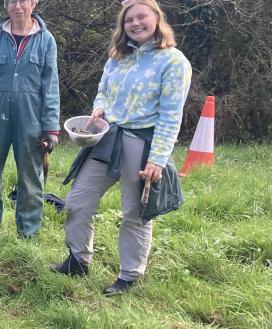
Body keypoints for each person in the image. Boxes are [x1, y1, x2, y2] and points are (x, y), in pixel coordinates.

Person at [52, 0, 191, 296]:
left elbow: (170, 114)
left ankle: (129, 275)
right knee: (77, 200)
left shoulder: (173, 61)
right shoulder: (117, 57)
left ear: (156, 18)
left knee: (134, 212)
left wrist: (157, 159)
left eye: (142, 17)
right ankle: (78, 259)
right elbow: (103, 91)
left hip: (142, 143)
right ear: (122, 25)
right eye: (129, 19)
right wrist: (99, 109)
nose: (135, 23)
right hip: (108, 138)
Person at [0, 0, 60, 245]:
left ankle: (27, 234)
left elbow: (51, 87)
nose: (18, 6)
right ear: (6, 6)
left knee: (31, 177)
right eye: (12, 1)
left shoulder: (46, 40)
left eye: (23, 1)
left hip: (31, 119)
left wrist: (51, 128)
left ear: (33, 3)